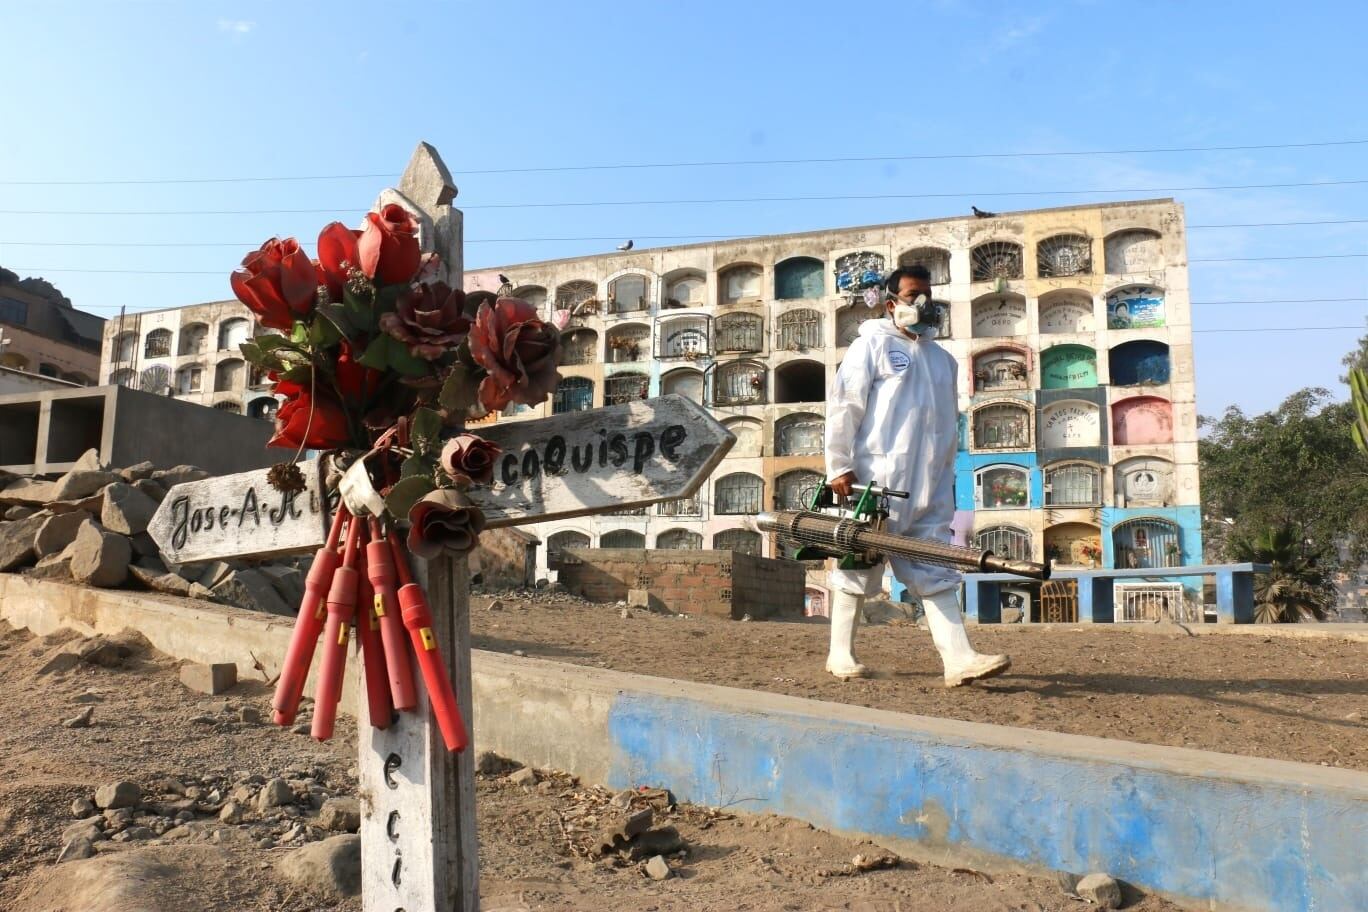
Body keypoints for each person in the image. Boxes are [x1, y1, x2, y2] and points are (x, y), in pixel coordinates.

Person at [824, 266, 1011, 686]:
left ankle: (959, 660)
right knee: (858, 564)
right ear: (891, 304)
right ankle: (840, 654)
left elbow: (946, 426)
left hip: (930, 486)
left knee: (935, 566)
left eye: (927, 294)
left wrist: (946, 479)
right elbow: (843, 406)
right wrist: (838, 466)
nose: (922, 303)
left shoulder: (942, 360)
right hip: (876, 481)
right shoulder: (871, 346)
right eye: (912, 295)